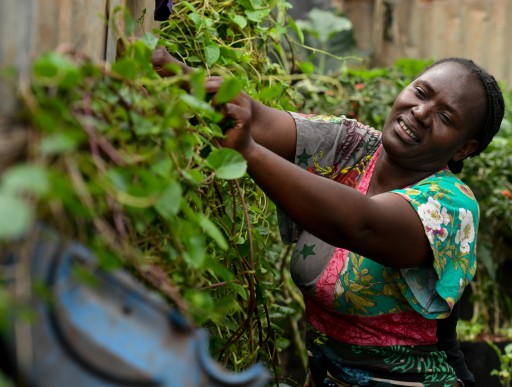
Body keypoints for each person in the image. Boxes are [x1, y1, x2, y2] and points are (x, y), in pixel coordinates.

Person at [152, 48, 504, 386]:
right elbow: (257, 119)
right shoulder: (350, 147)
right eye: (420, 92)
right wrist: (173, 73)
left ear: (464, 148)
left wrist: (247, 151)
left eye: (445, 117)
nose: (421, 112)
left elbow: (358, 226)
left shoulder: (451, 208)